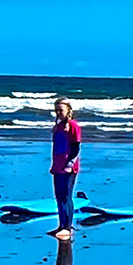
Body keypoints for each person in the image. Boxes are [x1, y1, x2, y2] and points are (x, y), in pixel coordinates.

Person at [47, 98, 82, 240]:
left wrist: (69, 164)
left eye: (61, 110)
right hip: (57, 166)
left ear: (68, 110)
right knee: (59, 197)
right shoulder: (58, 127)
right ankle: (61, 225)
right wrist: (54, 165)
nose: (59, 112)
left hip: (68, 168)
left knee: (66, 196)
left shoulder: (73, 126)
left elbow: (76, 147)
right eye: (57, 110)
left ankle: (67, 226)